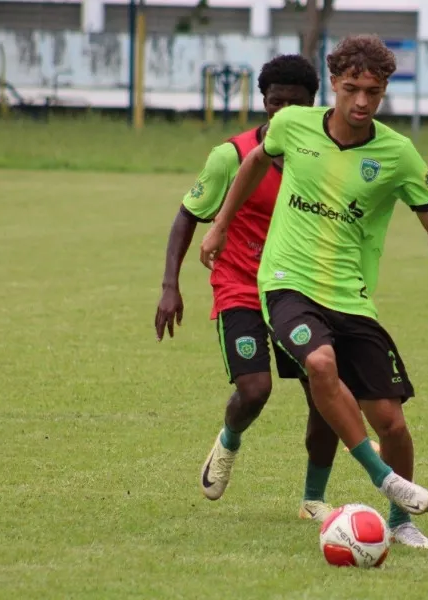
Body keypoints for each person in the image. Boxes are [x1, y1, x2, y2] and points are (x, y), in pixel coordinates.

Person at [199, 34, 428, 549]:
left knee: (392, 421)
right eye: (351, 88)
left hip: (351, 297)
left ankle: (400, 522)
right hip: (286, 283)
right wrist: (220, 225)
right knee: (320, 365)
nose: (360, 102)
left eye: (372, 92)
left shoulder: (398, 154)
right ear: (333, 83)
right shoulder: (292, 124)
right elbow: (256, 161)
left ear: (384, 91)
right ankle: (381, 477)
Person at [154, 55, 340, 523]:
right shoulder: (231, 156)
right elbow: (186, 216)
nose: (282, 113)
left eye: (294, 104)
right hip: (239, 285)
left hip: (299, 288)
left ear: (312, 104)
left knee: (324, 392)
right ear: (263, 101)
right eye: (275, 103)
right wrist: (169, 286)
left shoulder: (323, 157)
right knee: (255, 391)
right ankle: (228, 443)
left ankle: (313, 498)